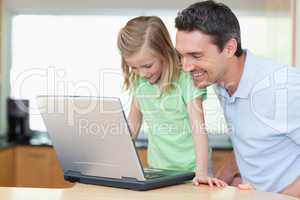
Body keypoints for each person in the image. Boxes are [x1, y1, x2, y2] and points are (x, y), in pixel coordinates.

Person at [175, 0, 300, 197]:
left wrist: (280, 196)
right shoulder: (219, 79)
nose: (186, 67)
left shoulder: (282, 88)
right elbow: (252, 136)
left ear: (229, 48)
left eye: (196, 56)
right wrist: (226, 174)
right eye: (181, 55)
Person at [117, 16, 226, 187]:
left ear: (164, 52)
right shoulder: (139, 81)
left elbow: (199, 129)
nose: (141, 73)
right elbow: (133, 123)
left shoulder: (186, 78)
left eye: (147, 66)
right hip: (159, 171)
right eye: (134, 67)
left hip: (193, 170)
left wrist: (201, 173)